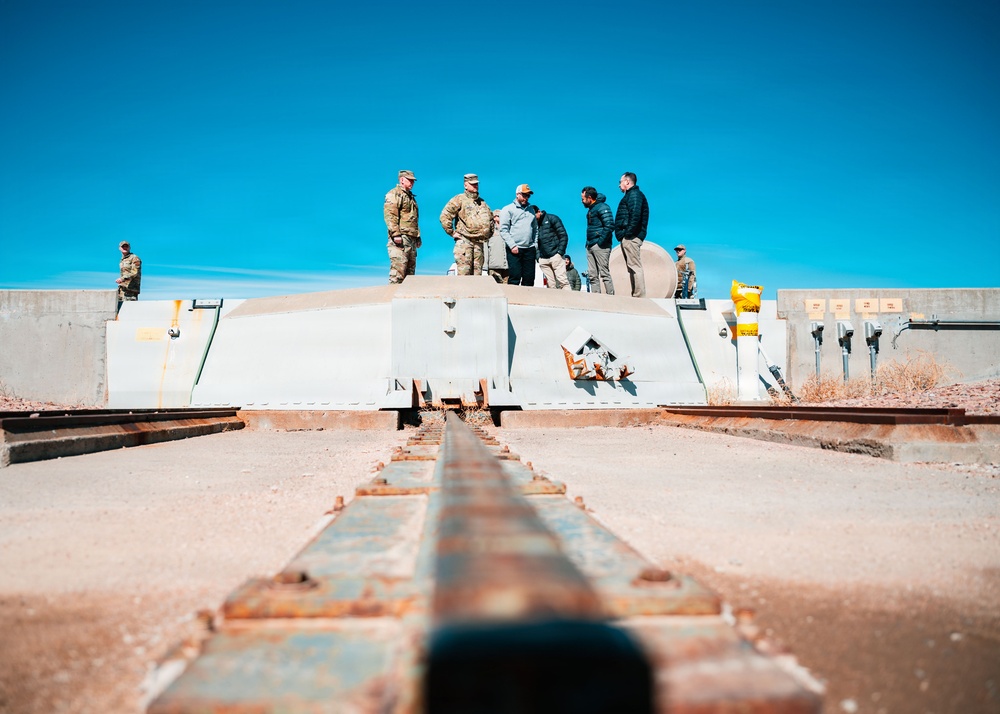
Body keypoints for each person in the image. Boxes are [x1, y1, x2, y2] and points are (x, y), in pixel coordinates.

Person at [439, 173, 494, 276]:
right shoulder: (459, 199)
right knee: (464, 276)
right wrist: (452, 232)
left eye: (476, 184)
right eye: (472, 184)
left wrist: (488, 233)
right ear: (465, 185)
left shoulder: (482, 203)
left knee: (477, 277)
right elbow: (445, 215)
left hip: (479, 244)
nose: (475, 186)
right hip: (465, 242)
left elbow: (491, 219)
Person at [614, 172, 649, 297]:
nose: (619, 185)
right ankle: (636, 295)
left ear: (627, 182)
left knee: (634, 266)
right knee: (632, 267)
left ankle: (639, 296)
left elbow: (635, 215)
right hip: (629, 236)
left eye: (620, 182)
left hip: (631, 237)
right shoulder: (631, 195)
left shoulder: (634, 195)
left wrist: (627, 234)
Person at [384, 169, 420, 284]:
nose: (412, 183)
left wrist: (417, 236)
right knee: (398, 273)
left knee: (410, 277)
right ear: (402, 180)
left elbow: (413, 218)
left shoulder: (411, 197)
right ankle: (393, 294)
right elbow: (390, 215)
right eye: (410, 180)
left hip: (411, 238)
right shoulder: (394, 194)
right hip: (400, 239)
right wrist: (395, 234)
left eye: (413, 181)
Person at [499, 184, 538, 286]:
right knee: (515, 277)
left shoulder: (531, 210)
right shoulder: (508, 209)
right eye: (524, 195)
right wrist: (512, 245)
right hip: (514, 249)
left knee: (529, 278)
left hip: (529, 249)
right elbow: (503, 229)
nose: (526, 198)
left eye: (528, 195)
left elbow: (535, 229)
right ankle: (513, 296)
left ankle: (528, 296)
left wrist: (535, 245)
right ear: (517, 194)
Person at [581, 186, 615, 295]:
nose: (582, 201)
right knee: (592, 275)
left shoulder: (602, 207)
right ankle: (596, 299)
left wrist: (600, 242)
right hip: (590, 245)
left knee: (604, 274)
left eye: (583, 199)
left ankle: (611, 299)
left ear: (589, 198)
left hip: (600, 246)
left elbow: (609, 225)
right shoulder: (591, 209)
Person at [533, 205, 569, 289]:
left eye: (534, 216)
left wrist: (560, 252)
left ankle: (568, 297)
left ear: (539, 212)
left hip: (556, 255)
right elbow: (535, 242)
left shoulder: (552, 218)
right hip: (543, 259)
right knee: (550, 284)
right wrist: (538, 257)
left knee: (563, 281)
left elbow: (563, 235)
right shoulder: (533, 225)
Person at [485, 210, 509, 283]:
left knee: (508, 287)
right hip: (494, 266)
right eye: (494, 217)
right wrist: (485, 265)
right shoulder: (489, 232)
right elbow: (485, 249)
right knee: (496, 287)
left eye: (498, 216)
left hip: (507, 266)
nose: (496, 219)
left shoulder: (508, 231)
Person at [116, 241, 141, 308]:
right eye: (123, 246)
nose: (125, 248)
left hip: (131, 290)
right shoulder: (123, 259)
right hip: (123, 289)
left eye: (126, 246)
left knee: (130, 309)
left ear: (129, 247)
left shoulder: (134, 258)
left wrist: (122, 279)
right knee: (120, 309)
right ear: (119, 248)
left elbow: (135, 272)